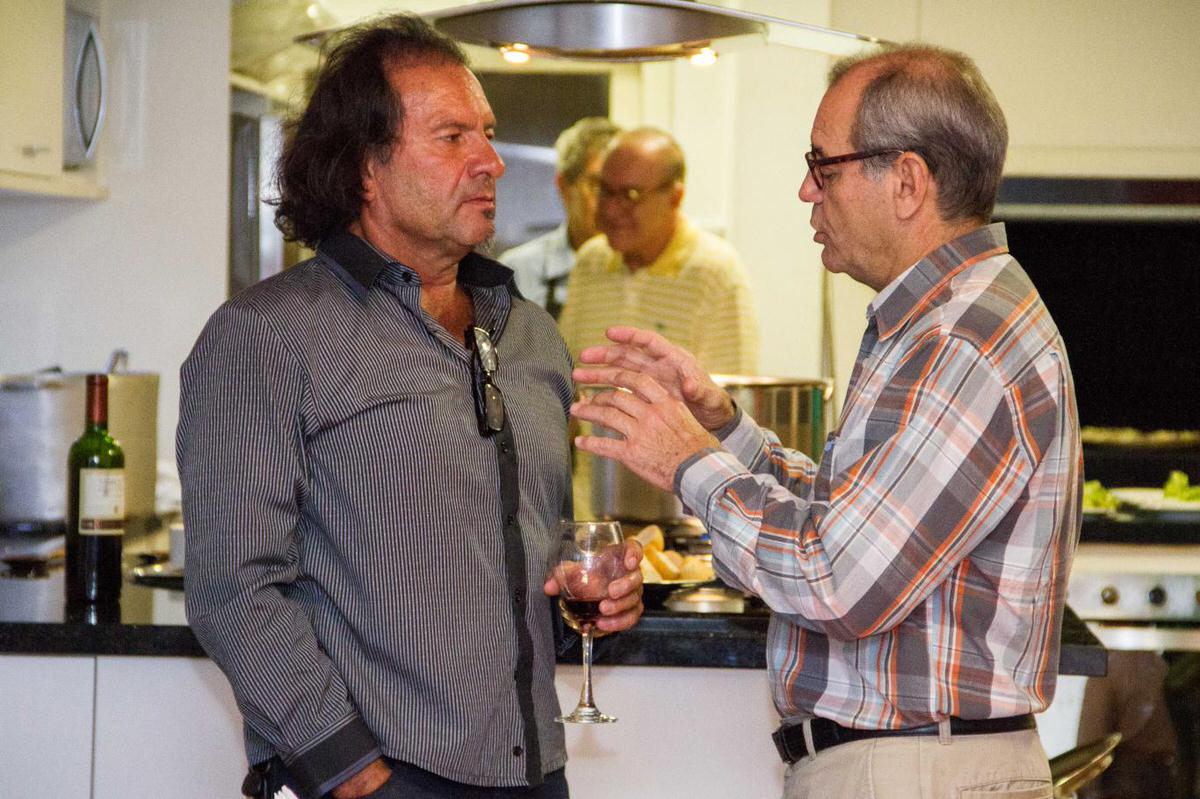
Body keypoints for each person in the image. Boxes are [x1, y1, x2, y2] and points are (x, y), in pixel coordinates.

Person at [570, 44, 1082, 799]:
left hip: (916, 774)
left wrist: (689, 461)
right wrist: (726, 429)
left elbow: (838, 579)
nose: (807, 189)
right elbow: (853, 518)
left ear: (906, 181)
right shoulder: (935, 321)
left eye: (824, 165)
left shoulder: (960, 340)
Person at [177, 15, 642, 799]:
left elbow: (529, 550)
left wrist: (585, 596)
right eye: (452, 137)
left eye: (486, 134)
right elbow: (234, 584)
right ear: (367, 167)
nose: (491, 161)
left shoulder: (530, 334)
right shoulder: (266, 335)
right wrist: (350, 769)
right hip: (382, 774)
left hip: (533, 770)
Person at [557, 127, 759, 376]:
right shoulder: (590, 260)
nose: (610, 209)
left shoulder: (716, 273)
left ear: (675, 197)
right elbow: (564, 374)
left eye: (630, 195)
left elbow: (730, 392)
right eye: (605, 191)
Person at [498, 117, 619, 319]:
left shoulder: (647, 271)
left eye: (625, 191)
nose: (613, 204)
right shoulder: (516, 274)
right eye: (598, 186)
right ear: (564, 187)